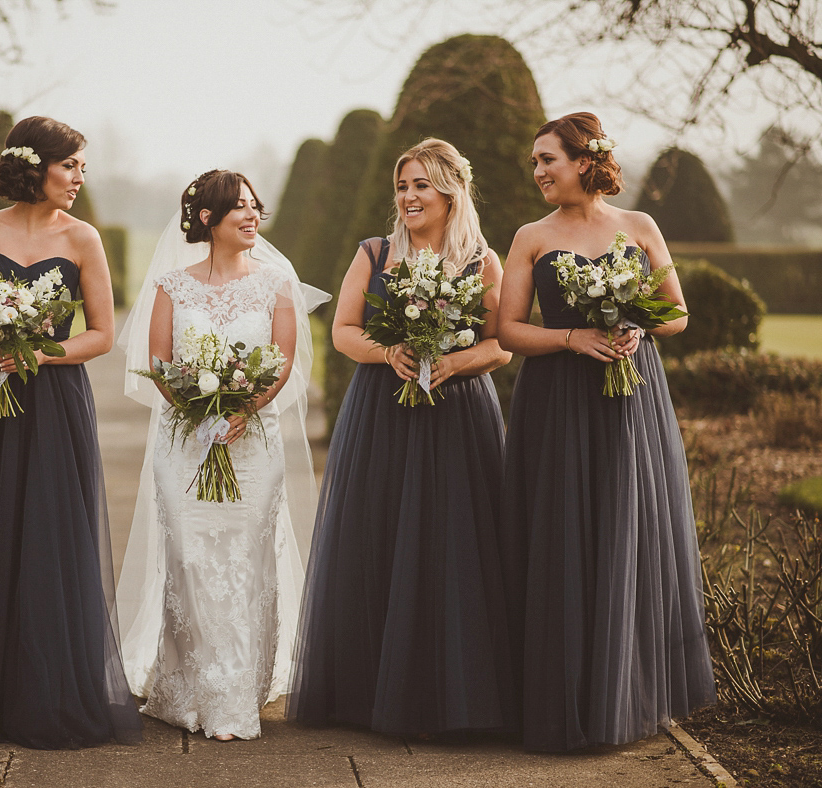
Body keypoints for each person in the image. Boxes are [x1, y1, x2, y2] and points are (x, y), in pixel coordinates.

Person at [496, 112, 715, 751]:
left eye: (548, 160)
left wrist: (638, 324)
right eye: (535, 162)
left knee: (625, 529)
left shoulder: (639, 226)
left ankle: (622, 692)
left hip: (630, 394)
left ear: (585, 161)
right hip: (557, 398)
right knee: (563, 533)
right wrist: (571, 336)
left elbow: (676, 313)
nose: (538, 172)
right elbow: (509, 329)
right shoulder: (529, 237)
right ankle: (558, 695)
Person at [287, 139, 517, 736]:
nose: (409, 197)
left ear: (451, 191)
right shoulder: (375, 252)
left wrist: (455, 363)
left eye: (421, 185)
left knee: (455, 541)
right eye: (403, 186)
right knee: (378, 533)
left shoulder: (484, 261)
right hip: (382, 411)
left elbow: (501, 342)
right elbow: (341, 330)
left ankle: (457, 695)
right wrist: (390, 350)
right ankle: (368, 693)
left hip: (458, 416)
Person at [0, 116, 140, 749]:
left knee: (47, 531)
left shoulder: (83, 239)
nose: (79, 178)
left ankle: (41, 686)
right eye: (70, 165)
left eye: (82, 167)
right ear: (34, 165)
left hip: (51, 399)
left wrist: (41, 353)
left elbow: (102, 333)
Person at [115, 170, 326, 741]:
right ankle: (188, 689)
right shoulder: (170, 286)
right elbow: (159, 360)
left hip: (252, 442)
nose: (252, 216)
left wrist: (241, 409)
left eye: (255, 207)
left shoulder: (278, 282)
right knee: (188, 557)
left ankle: (235, 694)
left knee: (243, 560)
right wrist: (196, 411)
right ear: (207, 219)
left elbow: (281, 360)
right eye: (239, 208)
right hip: (183, 441)